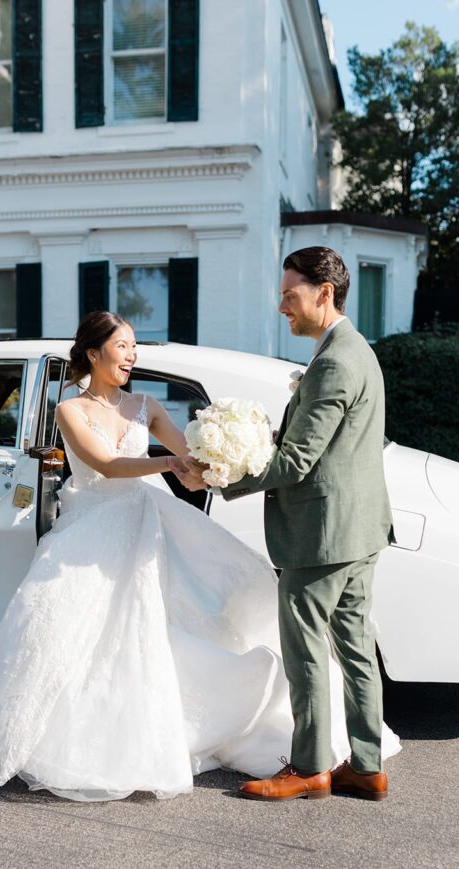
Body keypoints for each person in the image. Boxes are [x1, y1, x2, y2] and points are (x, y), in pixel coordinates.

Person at [0, 309, 399, 802]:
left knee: (159, 625)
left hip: (146, 524)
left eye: (134, 346)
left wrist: (223, 455)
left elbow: (191, 453)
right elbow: (105, 463)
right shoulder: (69, 410)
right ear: (95, 352)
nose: (131, 355)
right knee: (74, 632)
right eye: (122, 346)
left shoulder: (144, 405)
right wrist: (169, 463)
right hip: (91, 529)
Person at [183, 246, 397, 802]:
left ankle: (308, 768)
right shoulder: (357, 351)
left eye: (289, 295)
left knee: (305, 652)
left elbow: (298, 460)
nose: (283, 307)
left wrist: (221, 478)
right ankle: (367, 767)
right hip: (360, 528)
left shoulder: (334, 362)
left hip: (322, 536)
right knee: (354, 649)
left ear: (323, 293)